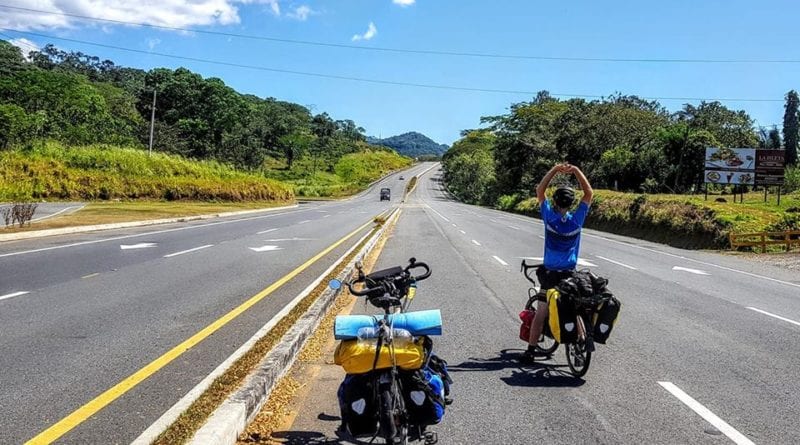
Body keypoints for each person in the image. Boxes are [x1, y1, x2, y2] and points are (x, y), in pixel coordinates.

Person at [522, 162, 593, 362]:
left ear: (555, 201)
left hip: (551, 274)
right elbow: (588, 193)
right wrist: (577, 170)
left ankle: (530, 350)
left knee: (542, 311)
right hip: (570, 273)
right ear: (572, 203)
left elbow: (540, 190)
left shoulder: (550, 217)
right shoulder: (577, 220)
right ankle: (581, 341)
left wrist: (554, 170)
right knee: (575, 307)